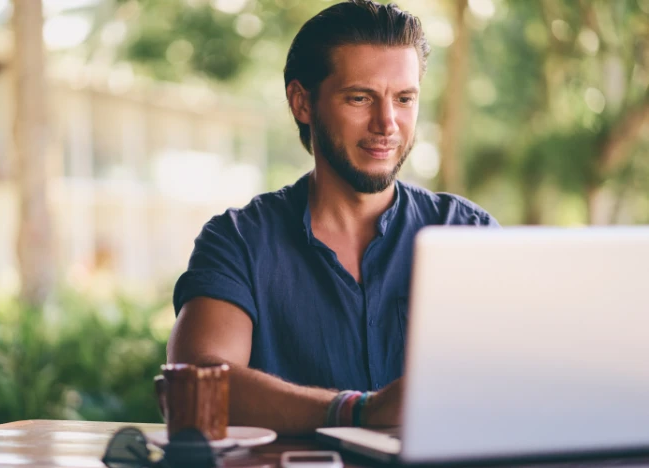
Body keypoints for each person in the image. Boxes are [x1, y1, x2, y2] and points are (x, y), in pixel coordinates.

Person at [167, 0, 499, 435]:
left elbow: (522, 376)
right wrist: (356, 412)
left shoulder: (466, 233)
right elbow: (197, 385)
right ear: (302, 103)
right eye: (360, 98)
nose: (387, 123)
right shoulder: (240, 241)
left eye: (404, 99)